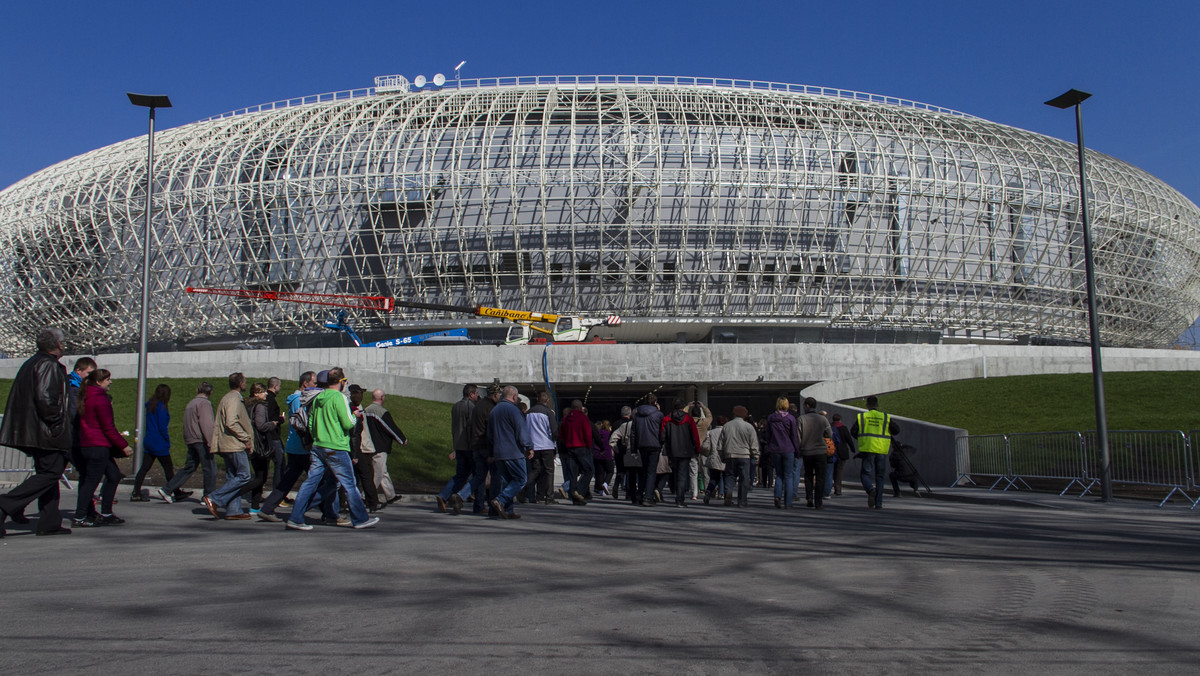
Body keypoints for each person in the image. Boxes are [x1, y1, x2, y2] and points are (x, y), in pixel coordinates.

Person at [0, 327, 74, 536]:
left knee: (47, 474)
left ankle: (50, 521)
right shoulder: (47, 365)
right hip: (46, 433)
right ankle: (5, 503)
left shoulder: (32, 363)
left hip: (36, 431)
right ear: (58, 345)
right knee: (51, 474)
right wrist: (58, 424)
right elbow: (46, 399)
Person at [285, 367, 379, 531]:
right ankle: (360, 518)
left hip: (318, 446)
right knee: (349, 483)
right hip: (336, 446)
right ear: (342, 382)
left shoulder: (318, 397)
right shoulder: (339, 397)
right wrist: (355, 417)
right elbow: (347, 423)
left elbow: (312, 423)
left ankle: (296, 517)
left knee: (314, 482)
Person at [257, 371, 337, 523]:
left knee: (288, 479)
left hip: (294, 446)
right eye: (314, 383)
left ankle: (267, 508)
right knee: (320, 481)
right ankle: (329, 513)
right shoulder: (301, 400)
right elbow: (305, 422)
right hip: (304, 447)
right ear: (305, 384)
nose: (316, 386)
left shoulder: (294, 399)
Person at [72, 368, 131, 527]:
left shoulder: (85, 396)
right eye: (107, 379)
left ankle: (106, 513)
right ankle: (80, 517)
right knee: (90, 482)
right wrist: (123, 445)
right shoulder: (100, 399)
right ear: (99, 382)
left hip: (88, 443)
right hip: (97, 445)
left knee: (113, 475)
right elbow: (108, 427)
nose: (110, 382)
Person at [201, 373, 254, 520]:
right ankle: (214, 498)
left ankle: (233, 510)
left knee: (232, 477)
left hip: (228, 444)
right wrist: (246, 438)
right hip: (234, 444)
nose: (246, 384)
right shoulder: (234, 399)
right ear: (240, 383)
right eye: (244, 381)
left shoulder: (228, 397)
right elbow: (231, 422)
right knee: (244, 475)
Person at [158, 382, 215, 502]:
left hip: (191, 439)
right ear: (210, 392)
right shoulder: (205, 404)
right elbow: (206, 424)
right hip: (201, 440)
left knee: (189, 467)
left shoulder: (191, 403)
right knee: (209, 468)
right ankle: (208, 497)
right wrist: (211, 441)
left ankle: (168, 489)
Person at [487, 385, 532, 519]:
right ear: (514, 396)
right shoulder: (513, 410)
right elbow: (521, 431)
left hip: (499, 452)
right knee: (520, 479)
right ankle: (501, 500)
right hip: (513, 451)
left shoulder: (494, 411)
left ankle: (508, 509)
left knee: (507, 481)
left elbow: (489, 435)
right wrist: (529, 447)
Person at [436, 384, 478, 515]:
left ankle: (444, 495)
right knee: (477, 475)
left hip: (458, 445)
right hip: (469, 446)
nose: (477, 396)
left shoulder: (456, 406)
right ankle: (461, 495)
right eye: (476, 393)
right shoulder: (471, 407)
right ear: (471, 394)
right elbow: (471, 428)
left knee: (460, 474)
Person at [852, 395, 900, 510]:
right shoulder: (885, 417)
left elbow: (853, 431)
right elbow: (896, 430)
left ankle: (870, 490)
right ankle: (879, 503)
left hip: (868, 448)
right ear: (877, 405)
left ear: (867, 405)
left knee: (865, 474)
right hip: (881, 449)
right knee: (880, 476)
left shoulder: (862, 417)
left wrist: (863, 438)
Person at [131, 384, 175, 502]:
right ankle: (173, 490)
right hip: (159, 442)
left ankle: (136, 491)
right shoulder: (161, 408)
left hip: (149, 440)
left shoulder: (150, 405)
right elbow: (162, 427)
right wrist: (167, 439)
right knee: (168, 467)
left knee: (144, 467)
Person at [364, 388, 407, 505]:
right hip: (380, 445)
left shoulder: (366, 410)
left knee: (383, 471)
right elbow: (390, 428)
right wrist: (402, 439)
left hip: (368, 445)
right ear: (382, 398)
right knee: (378, 472)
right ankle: (367, 496)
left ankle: (390, 495)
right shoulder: (381, 412)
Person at [467, 383, 502, 515]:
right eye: (499, 394)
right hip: (486, 447)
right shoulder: (491, 409)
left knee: (479, 477)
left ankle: (469, 499)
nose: (500, 397)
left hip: (476, 445)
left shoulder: (478, 406)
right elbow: (490, 432)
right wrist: (492, 452)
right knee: (495, 478)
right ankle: (494, 506)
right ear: (494, 395)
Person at [659, 398, 701, 508]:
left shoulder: (667, 418)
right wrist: (697, 450)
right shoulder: (688, 419)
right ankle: (679, 499)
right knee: (682, 475)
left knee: (674, 472)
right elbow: (694, 436)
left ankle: (675, 491)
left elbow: (662, 436)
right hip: (686, 450)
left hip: (672, 449)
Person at [242, 382, 277, 512]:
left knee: (258, 474)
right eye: (263, 392)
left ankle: (255, 505)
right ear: (256, 393)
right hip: (260, 443)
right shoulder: (260, 406)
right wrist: (273, 423)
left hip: (251, 442)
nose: (266, 393)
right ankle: (234, 493)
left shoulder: (247, 405)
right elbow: (261, 425)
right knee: (261, 477)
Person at [347, 384, 380, 512]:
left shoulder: (358, 408)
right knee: (364, 475)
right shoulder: (355, 410)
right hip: (359, 448)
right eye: (360, 393)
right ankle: (371, 502)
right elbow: (356, 433)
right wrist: (355, 453)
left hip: (360, 447)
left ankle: (367, 501)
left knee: (356, 476)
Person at [522, 391, 559, 504]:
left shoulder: (528, 413)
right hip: (546, 445)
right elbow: (554, 431)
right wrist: (555, 448)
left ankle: (529, 492)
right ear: (547, 401)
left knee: (535, 470)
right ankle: (549, 497)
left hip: (533, 446)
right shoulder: (548, 412)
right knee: (549, 471)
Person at [764, 397, 800, 509]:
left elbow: (768, 435)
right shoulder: (791, 418)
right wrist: (797, 449)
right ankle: (788, 502)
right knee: (788, 476)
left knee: (779, 475)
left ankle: (777, 496)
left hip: (775, 449)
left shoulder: (770, 418)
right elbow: (794, 435)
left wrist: (769, 445)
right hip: (788, 449)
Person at [719, 406, 759, 507]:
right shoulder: (749, 427)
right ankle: (742, 501)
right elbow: (754, 443)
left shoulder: (727, 426)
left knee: (729, 476)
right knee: (744, 478)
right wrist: (756, 455)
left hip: (730, 454)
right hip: (744, 455)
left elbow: (720, 444)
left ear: (734, 414)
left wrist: (722, 455)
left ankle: (728, 491)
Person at [797, 397, 833, 509]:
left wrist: (800, 448)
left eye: (804, 405)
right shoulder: (823, 419)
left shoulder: (801, 419)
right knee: (820, 477)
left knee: (808, 475)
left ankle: (809, 497)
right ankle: (818, 502)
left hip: (807, 451)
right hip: (821, 451)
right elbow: (829, 434)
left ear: (807, 405)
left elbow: (798, 436)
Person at [629, 394, 664, 506]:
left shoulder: (637, 415)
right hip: (654, 444)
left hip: (642, 444)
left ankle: (640, 493)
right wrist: (662, 443)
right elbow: (662, 430)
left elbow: (633, 434)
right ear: (655, 403)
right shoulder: (658, 415)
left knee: (644, 470)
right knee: (651, 471)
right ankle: (648, 497)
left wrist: (633, 449)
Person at [558, 399, 594, 506]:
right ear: (580, 407)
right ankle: (579, 491)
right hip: (581, 447)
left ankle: (575, 498)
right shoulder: (583, 418)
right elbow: (587, 434)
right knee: (589, 470)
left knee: (572, 474)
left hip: (570, 448)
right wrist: (588, 446)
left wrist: (567, 442)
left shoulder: (566, 419)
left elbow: (562, 434)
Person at [607, 406, 633, 501]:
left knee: (620, 471)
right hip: (629, 449)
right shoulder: (632, 424)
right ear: (630, 414)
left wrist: (614, 448)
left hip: (619, 450)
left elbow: (611, 437)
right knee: (629, 472)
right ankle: (628, 492)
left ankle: (616, 485)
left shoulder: (616, 424)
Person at [700, 415, 728, 505]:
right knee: (726, 478)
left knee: (714, 478)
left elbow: (705, 446)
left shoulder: (710, 432)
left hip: (713, 457)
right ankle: (724, 495)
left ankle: (708, 491)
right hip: (724, 457)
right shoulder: (726, 432)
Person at [688, 401, 712, 500]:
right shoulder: (704, 423)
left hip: (692, 448)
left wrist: (688, 406)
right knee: (705, 472)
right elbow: (710, 416)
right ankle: (707, 491)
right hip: (703, 448)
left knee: (693, 472)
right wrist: (703, 407)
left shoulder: (688, 422)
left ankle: (694, 492)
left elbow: (682, 415)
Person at [593, 420, 614, 496]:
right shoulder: (609, 434)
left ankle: (600, 490)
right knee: (610, 471)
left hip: (597, 455)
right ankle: (606, 483)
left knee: (600, 473)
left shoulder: (597, 434)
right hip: (607, 454)